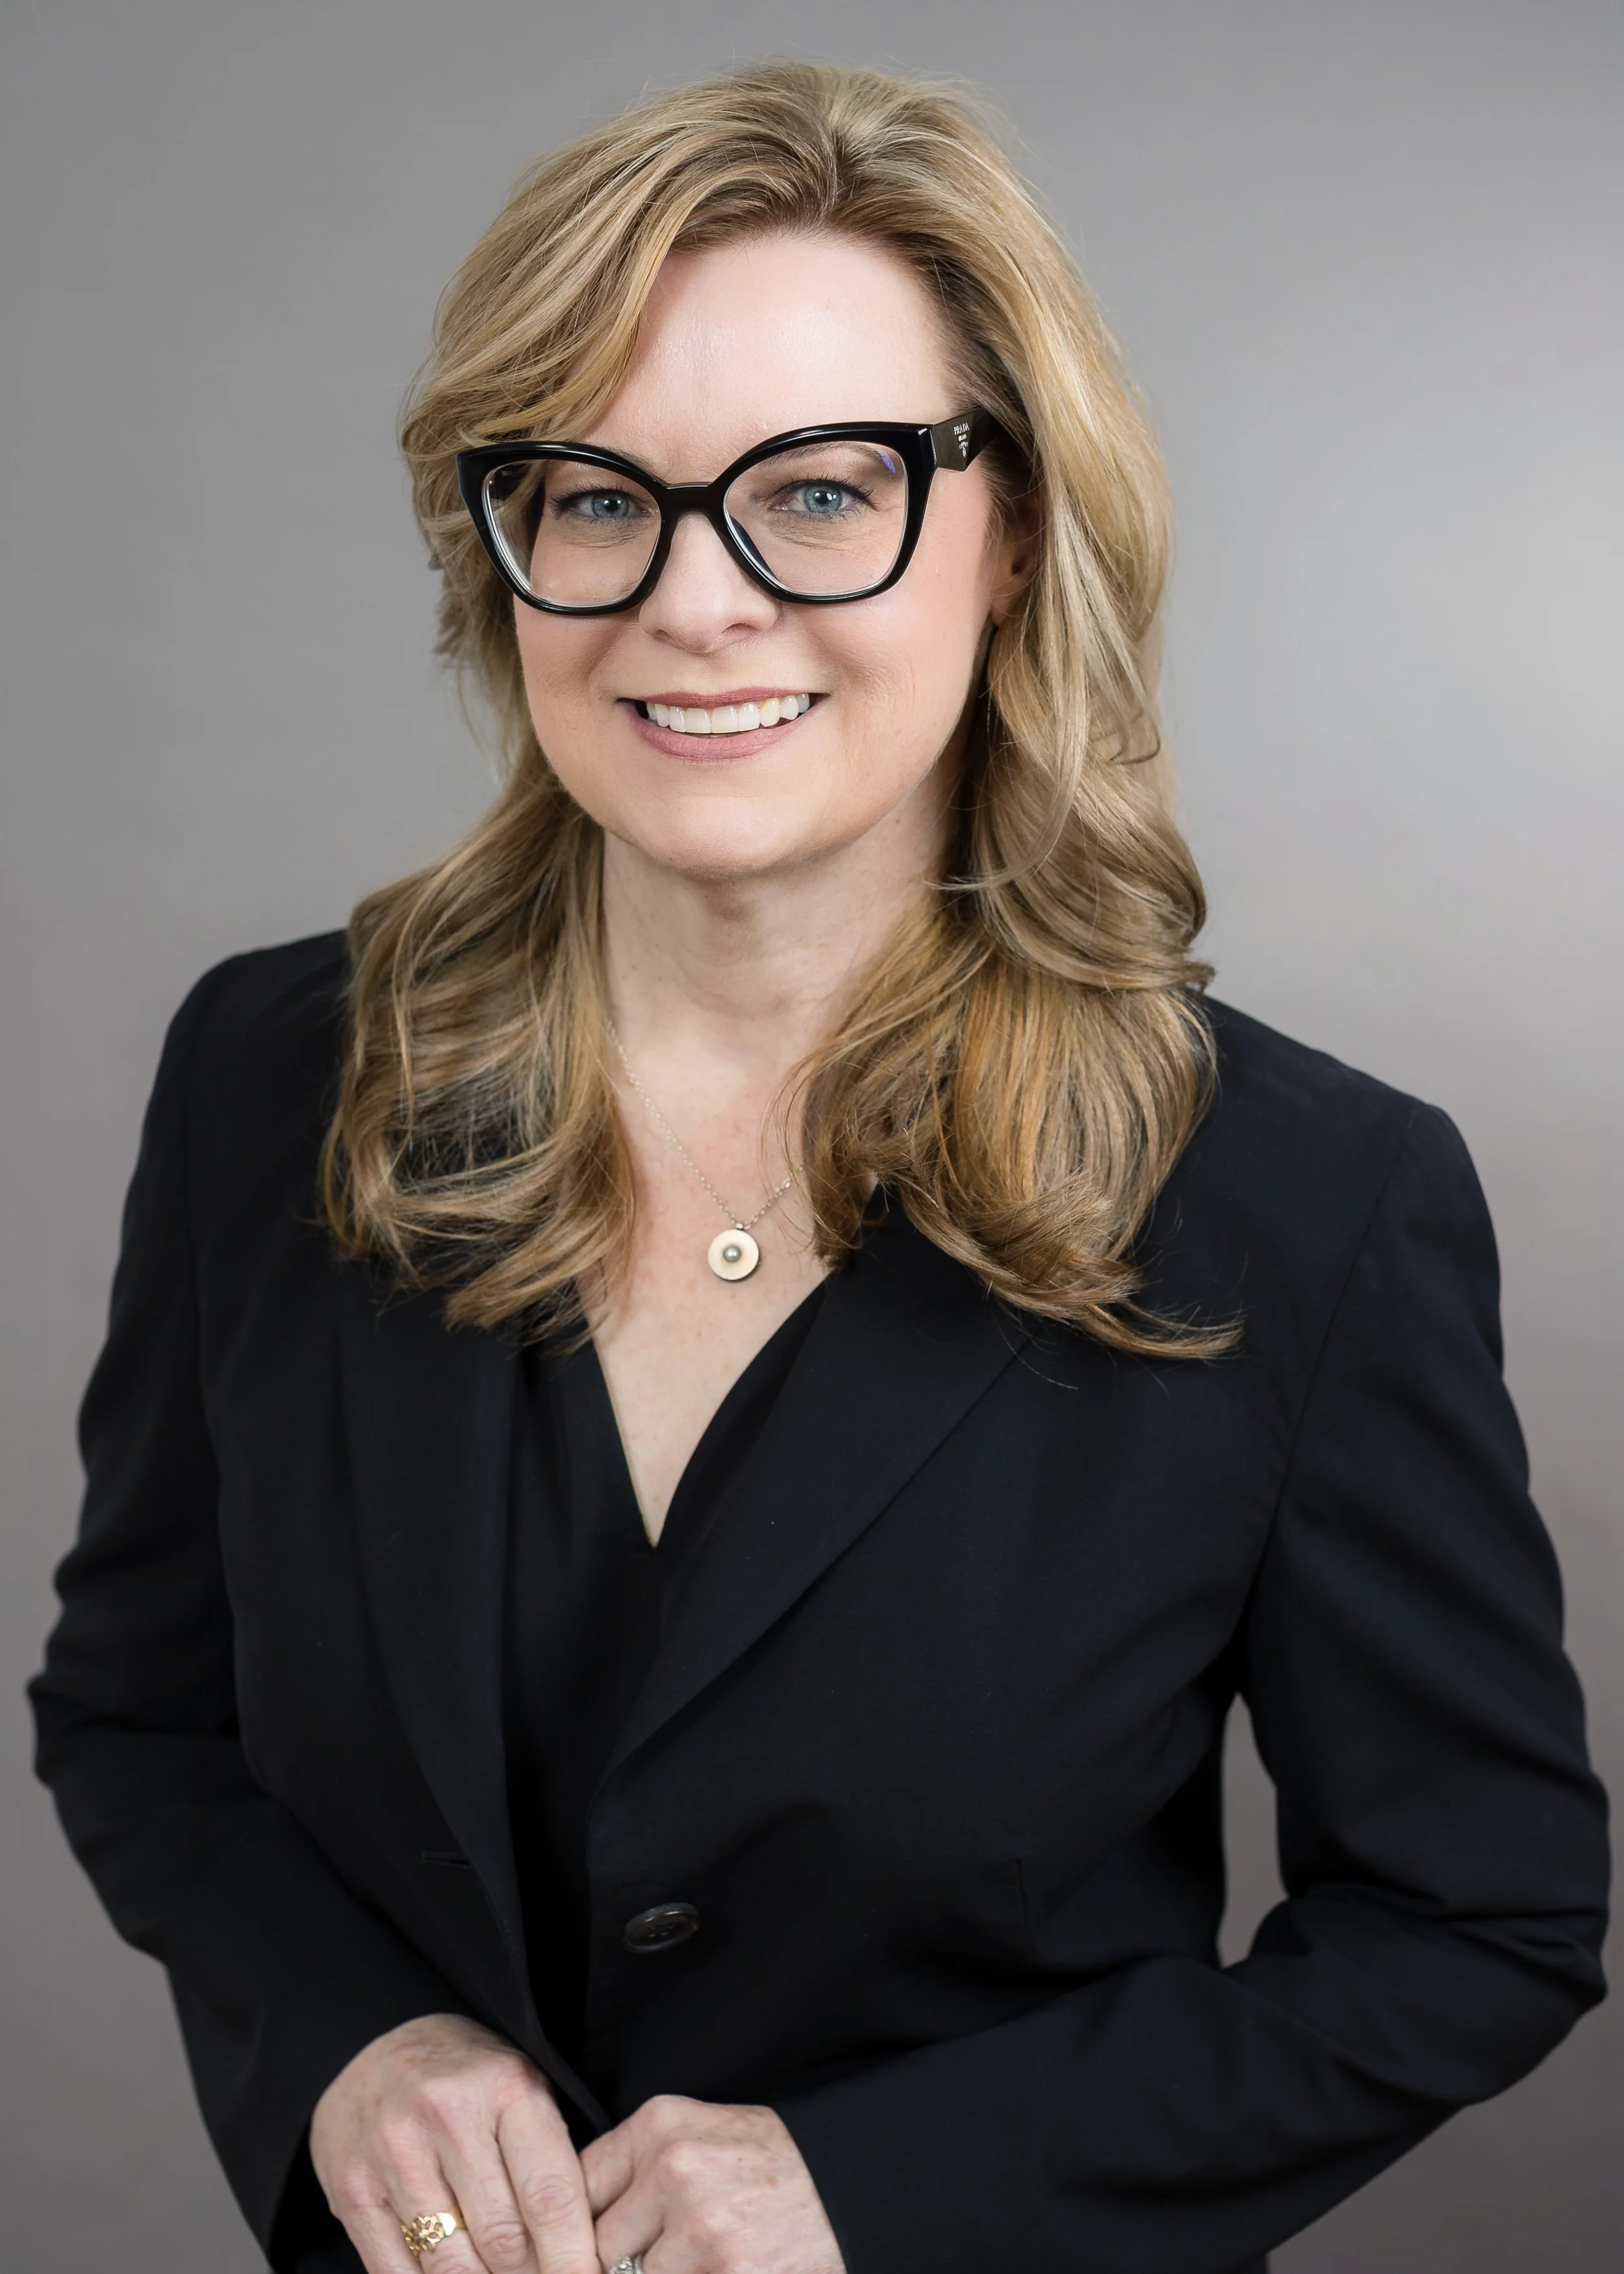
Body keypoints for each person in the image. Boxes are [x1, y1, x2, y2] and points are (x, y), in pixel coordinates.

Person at [29, 58, 1608, 2274]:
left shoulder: (1306, 1201)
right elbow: (138, 1719)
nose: (695, 600)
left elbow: (1482, 1918)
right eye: (592, 494)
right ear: (499, 552)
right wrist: (347, 2042)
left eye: (820, 489)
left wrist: (882, 2190)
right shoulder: (274, 1070)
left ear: (1018, 532)